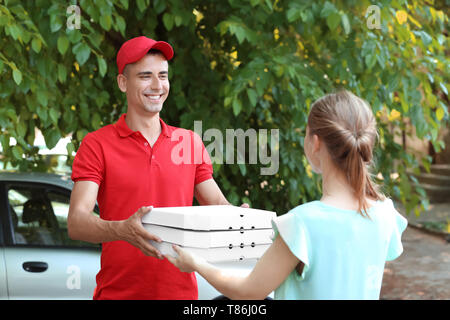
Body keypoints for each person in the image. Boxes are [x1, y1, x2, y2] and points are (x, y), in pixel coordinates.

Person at [166, 90, 408, 300]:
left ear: (315, 143)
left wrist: (195, 263)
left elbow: (248, 291)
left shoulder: (303, 223)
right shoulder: (386, 213)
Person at [67, 36, 246, 300]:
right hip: (118, 295)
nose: (157, 85)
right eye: (145, 76)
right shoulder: (97, 144)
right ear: (122, 83)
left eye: (163, 75)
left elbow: (217, 204)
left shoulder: (189, 142)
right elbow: (76, 223)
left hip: (181, 295)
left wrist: (240, 219)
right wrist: (121, 230)